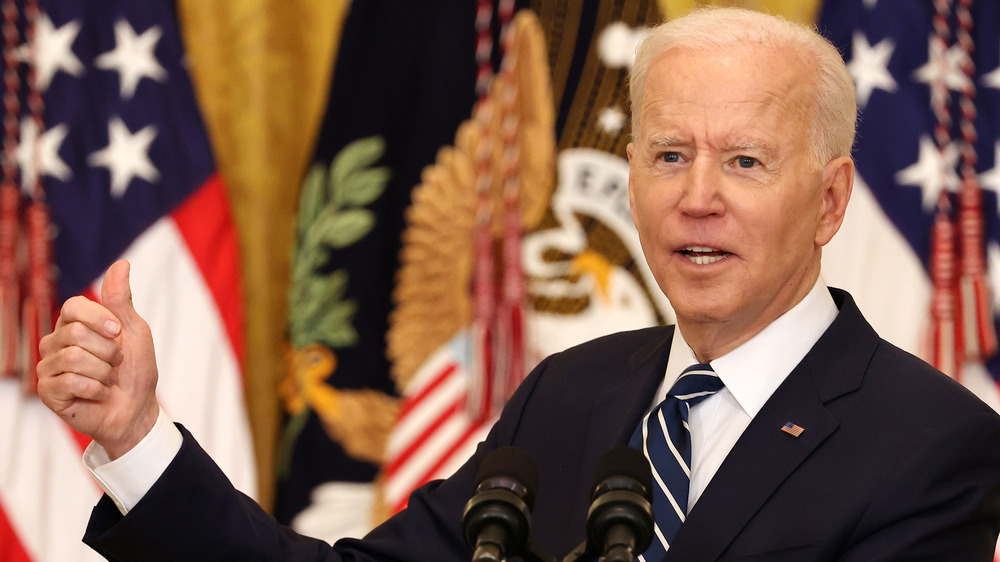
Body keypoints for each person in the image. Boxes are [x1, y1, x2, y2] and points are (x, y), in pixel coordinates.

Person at [38, 7, 1000, 561]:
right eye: (667, 154)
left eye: (745, 162)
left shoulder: (931, 443)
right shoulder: (570, 395)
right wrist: (134, 437)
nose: (696, 198)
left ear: (832, 201)